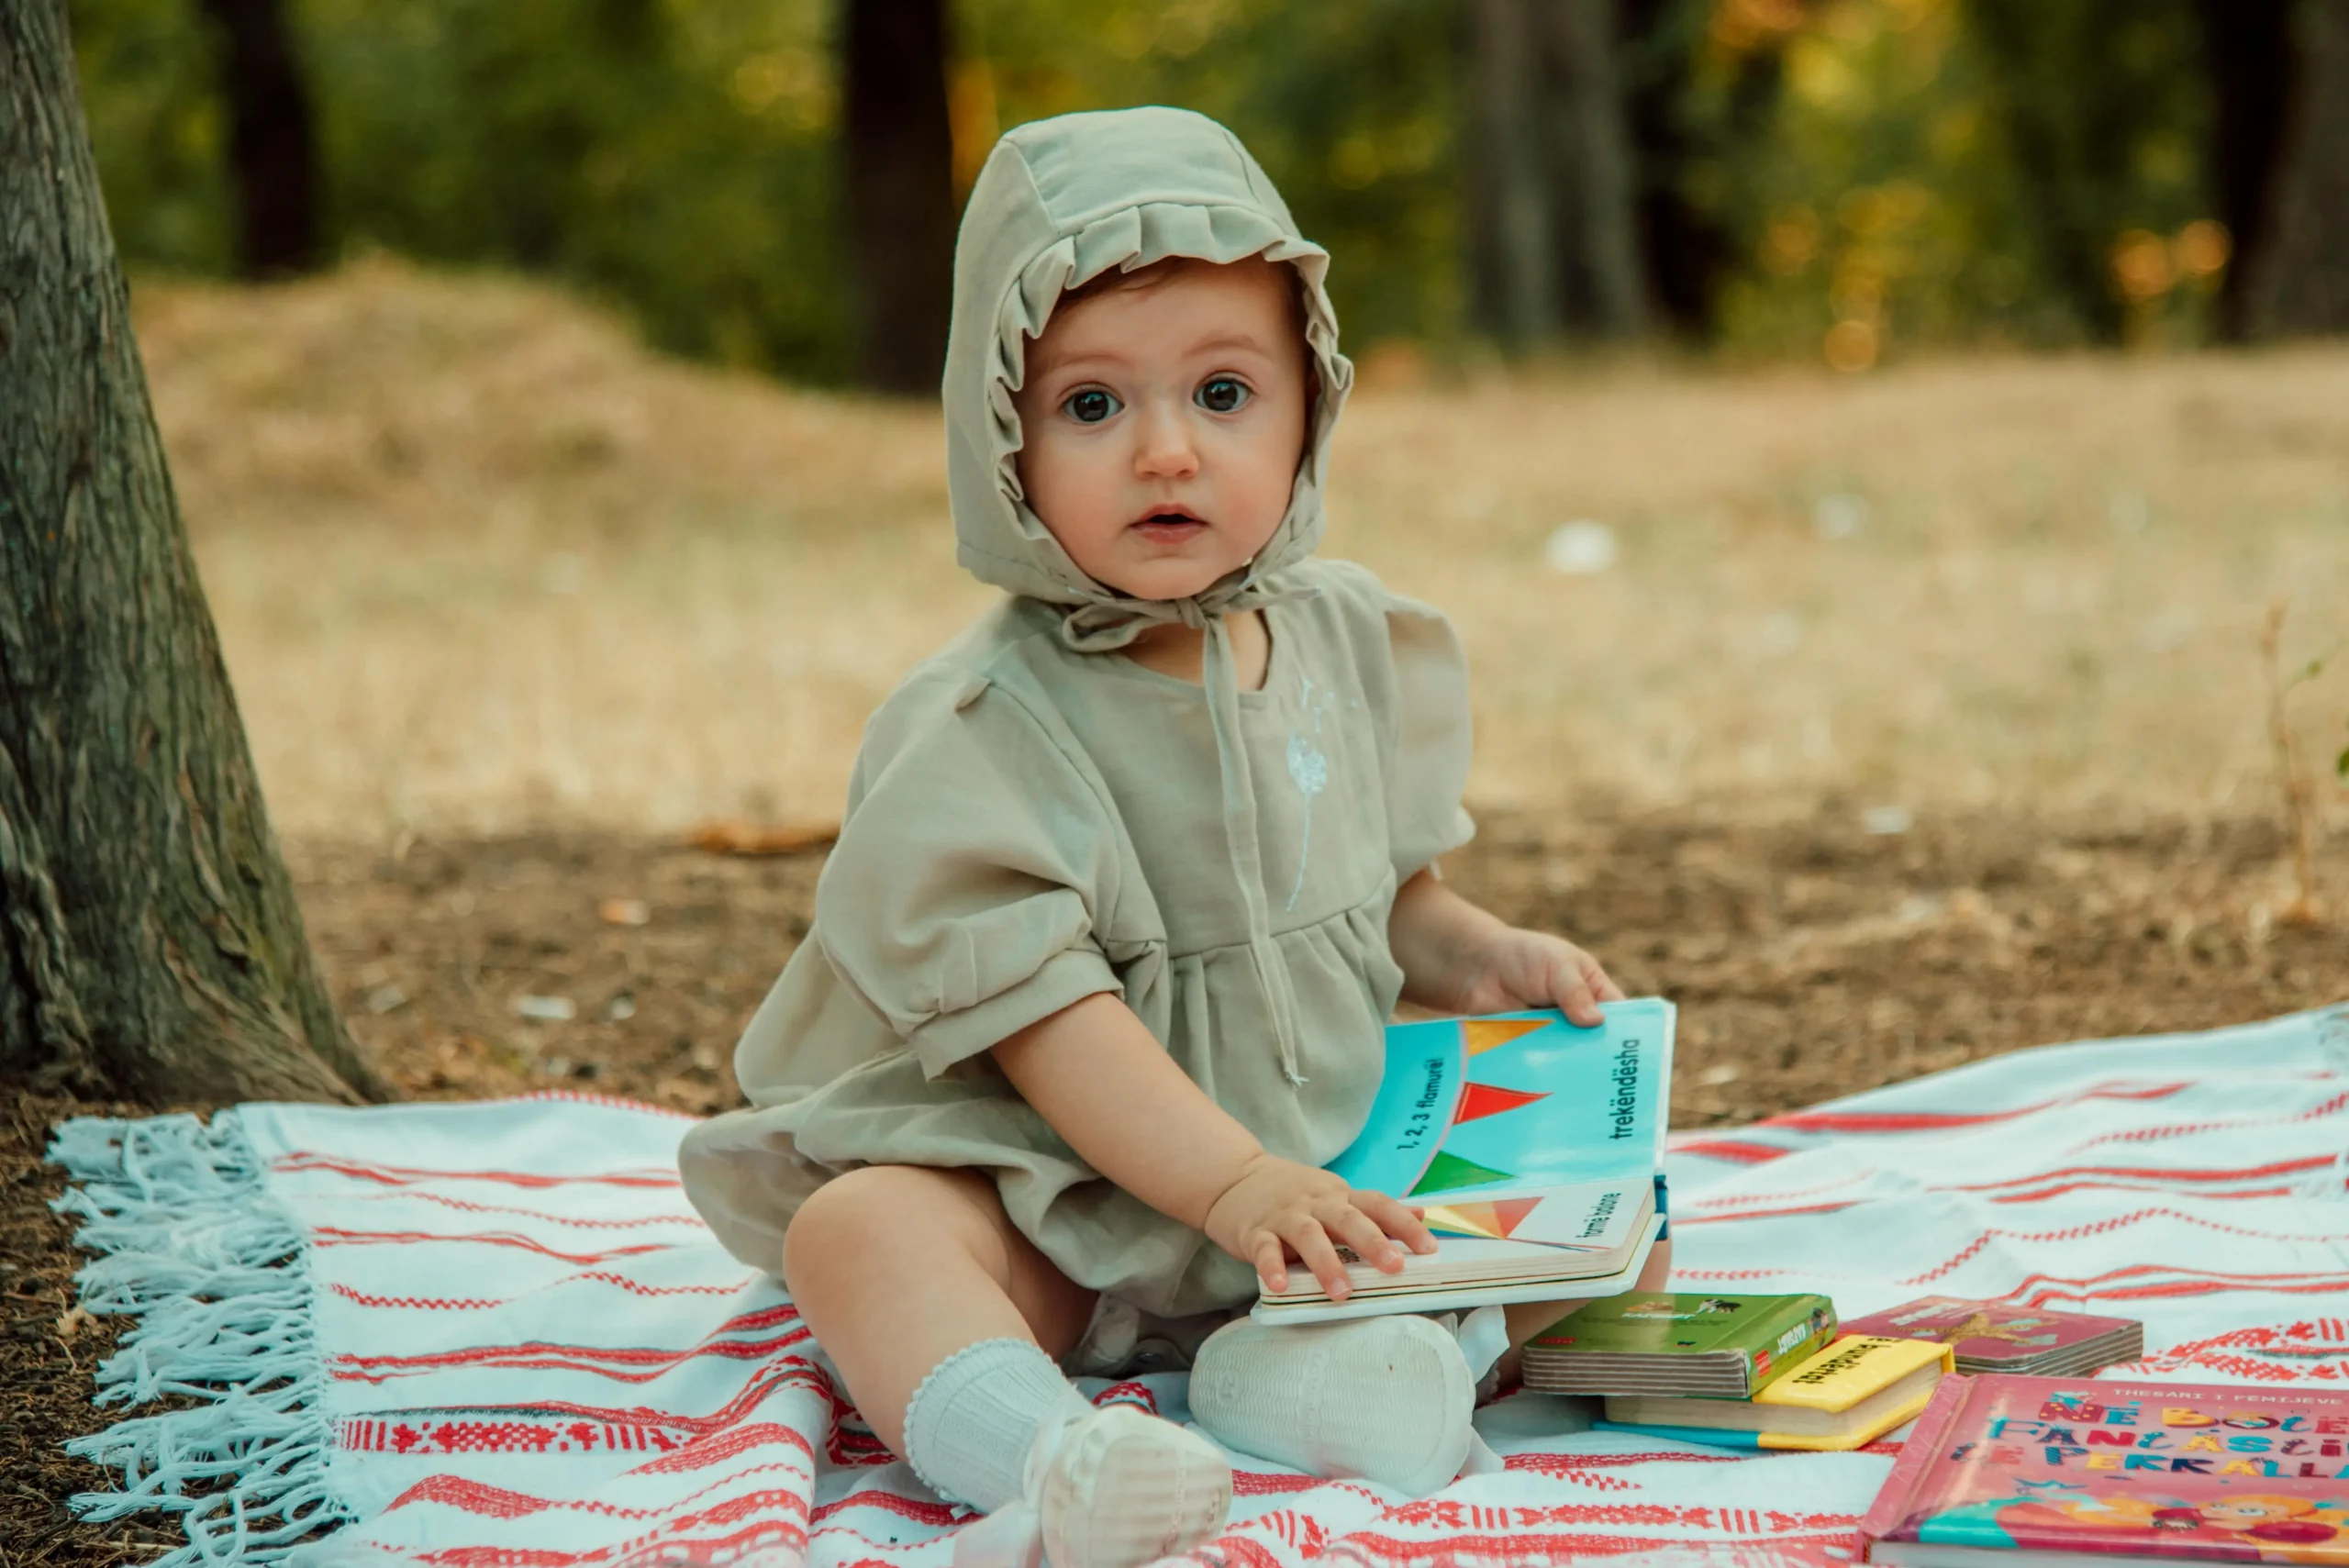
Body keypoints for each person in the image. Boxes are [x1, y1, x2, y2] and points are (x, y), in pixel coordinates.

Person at [678, 106, 1665, 1568]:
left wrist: (1478, 952)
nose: (1163, 454)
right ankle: (1050, 1459)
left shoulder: (1343, 636)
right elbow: (1055, 1027)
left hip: (1317, 1189)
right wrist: (1227, 1185)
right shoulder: (983, 728)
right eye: (1091, 407)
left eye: (1221, 393)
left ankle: (1325, 1375)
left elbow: (1388, 890)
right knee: (862, 1234)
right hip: (1060, 1204)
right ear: (998, 434)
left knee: (1629, 1228)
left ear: (1307, 405)